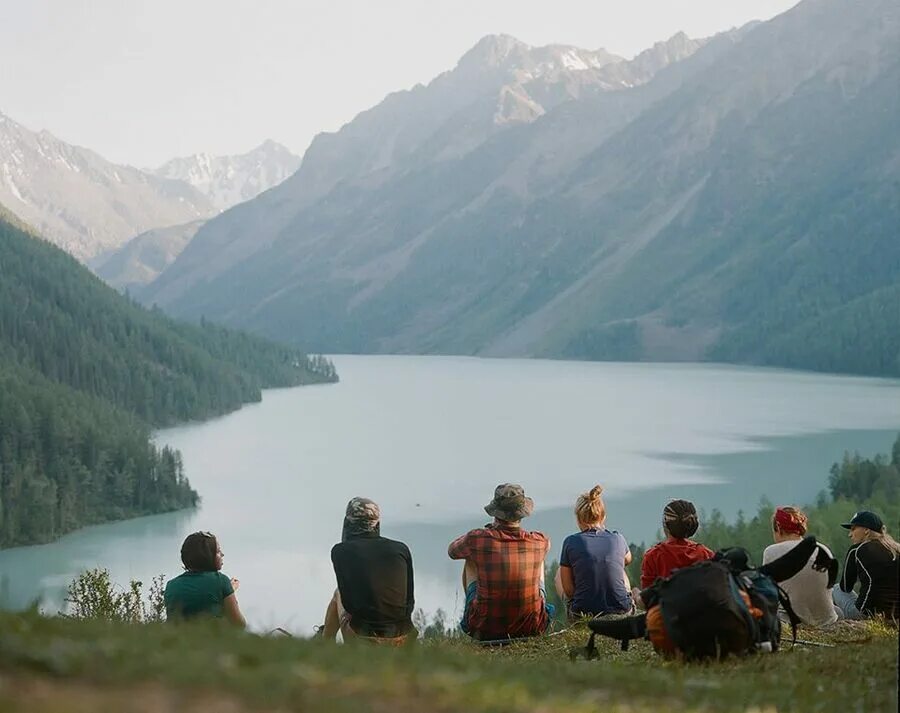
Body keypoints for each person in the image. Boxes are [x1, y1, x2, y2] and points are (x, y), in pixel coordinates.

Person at [448, 483, 552, 641]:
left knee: (470, 556)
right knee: (538, 558)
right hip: (532, 627)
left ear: (496, 512)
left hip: (483, 628)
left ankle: (477, 611)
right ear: (522, 513)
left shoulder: (477, 539)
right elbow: (545, 545)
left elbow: (452, 551)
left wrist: (488, 532)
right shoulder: (539, 541)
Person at [322, 497, 415, 644]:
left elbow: (347, 599)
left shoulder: (340, 551)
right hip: (402, 637)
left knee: (338, 592)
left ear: (348, 522)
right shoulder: (401, 549)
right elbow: (410, 600)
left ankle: (325, 643)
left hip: (363, 638)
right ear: (377, 523)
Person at [554, 485, 633, 620]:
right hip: (622, 611)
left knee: (558, 575)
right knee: (620, 568)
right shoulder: (617, 538)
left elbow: (568, 591)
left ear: (578, 519)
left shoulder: (571, 541)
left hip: (582, 614)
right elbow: (628, 559)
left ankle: (575, 612)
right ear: (603, 517)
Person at [762, 506, 838, 627]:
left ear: (779, 528)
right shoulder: (823, 549)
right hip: (827, 620)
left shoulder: (771, 552)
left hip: (790, 622)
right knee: (838, 611)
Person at [634, 499, 714, 604]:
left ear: (666, 524)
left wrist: (635, 595)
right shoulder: (706, 554)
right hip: (701, 617)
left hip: (667, 617)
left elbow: (648, 600)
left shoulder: (653, 555)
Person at [164, 531, 246, 627]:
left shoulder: (171, 585)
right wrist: (229, 590)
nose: (222, 555)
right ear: (207, 556)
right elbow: (239, 624)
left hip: (179, 641)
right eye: (218, 551)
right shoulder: (221, 581)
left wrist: (227, 590)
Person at [832, 510, 900, 620]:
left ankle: (831, 621)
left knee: (836, 589)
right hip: (896, 616)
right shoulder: (896, 549)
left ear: (866, 530)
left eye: (853, 529)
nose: (850, 534)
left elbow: (845, 587)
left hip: (867, 614)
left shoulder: (856, 550)